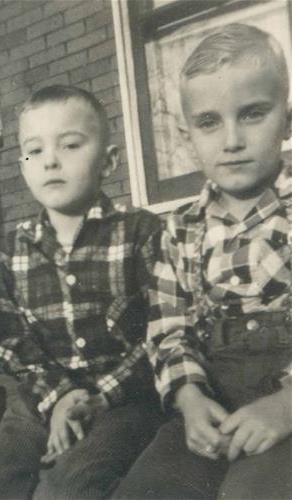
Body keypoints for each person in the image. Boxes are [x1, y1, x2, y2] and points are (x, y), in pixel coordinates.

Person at [0, 85, 164, 500]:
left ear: (109, 161)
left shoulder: (141, 232)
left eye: (70, 145)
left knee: (66, 490)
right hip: (38, 400)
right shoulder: (12, 250)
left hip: (124, 401)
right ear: (23, 167)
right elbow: (13, 344)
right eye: (35, 150)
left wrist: (100, 397)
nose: (50, 159)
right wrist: (60, 397)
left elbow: (160, 332)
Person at [112, 23, 292, 500]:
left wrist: (287, 406)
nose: (232, 140)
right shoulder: (180, 230)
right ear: (186, 134)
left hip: (288, 411)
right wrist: (189, 397)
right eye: (209, 122)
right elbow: (168, 331)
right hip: (212, 408)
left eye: (252, 114)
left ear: (288, 120)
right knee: (145, 491)